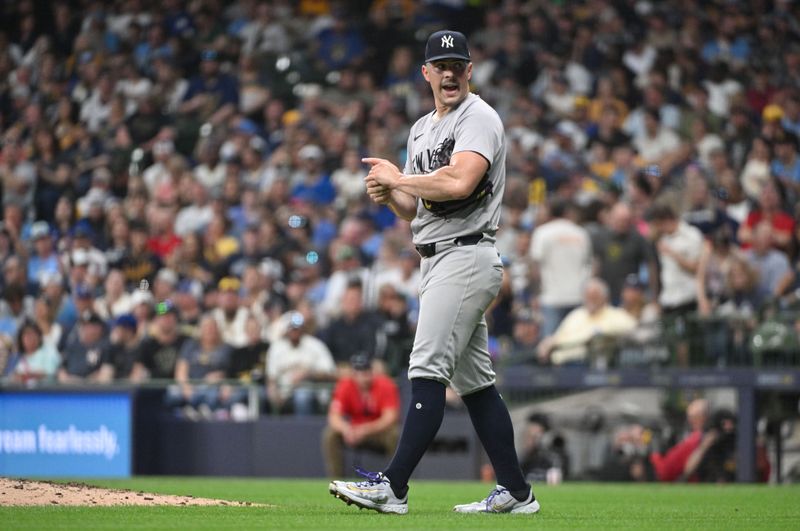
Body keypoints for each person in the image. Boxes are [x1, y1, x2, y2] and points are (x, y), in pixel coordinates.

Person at [329, 30, 539, 515]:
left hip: (466, 253)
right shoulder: (422, 128)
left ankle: (393, 486)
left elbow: (461, 179)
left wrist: (399, 178)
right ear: (425, 73)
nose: (449, 73)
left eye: (457, 64)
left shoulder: (479, 117)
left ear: (470, 71)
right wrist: (389, 193)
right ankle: (517, 492)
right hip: (437, 255)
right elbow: (415, 206)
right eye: (439, 65)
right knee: (477, 385)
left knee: (426, 368)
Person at [322, 354, 401, 478]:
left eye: (366, 371)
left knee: (394, 435)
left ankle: (396, 479)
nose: (363, 376)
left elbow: (390, 418)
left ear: (371, 371)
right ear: (353, 373)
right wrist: (346, 429)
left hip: (378, 432)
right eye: (359, 371)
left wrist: (365, 430)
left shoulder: (385, 384)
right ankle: (336, 480)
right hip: (354, 431)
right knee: (331, 435)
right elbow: (334, 416)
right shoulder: (345, 385)